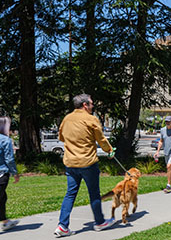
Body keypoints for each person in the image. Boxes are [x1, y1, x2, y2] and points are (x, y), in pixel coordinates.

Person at [54, 94, 117, 237]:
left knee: (70, 194)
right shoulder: (91, 119)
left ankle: (62, 226)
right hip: (88, 163)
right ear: (85, 105)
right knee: (94, 194)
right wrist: (109, 150)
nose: (93, 106)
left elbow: (61, 137)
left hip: (70, 163)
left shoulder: (67, 119)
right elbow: (101, 139)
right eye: (91, 103)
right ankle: (99, 222)